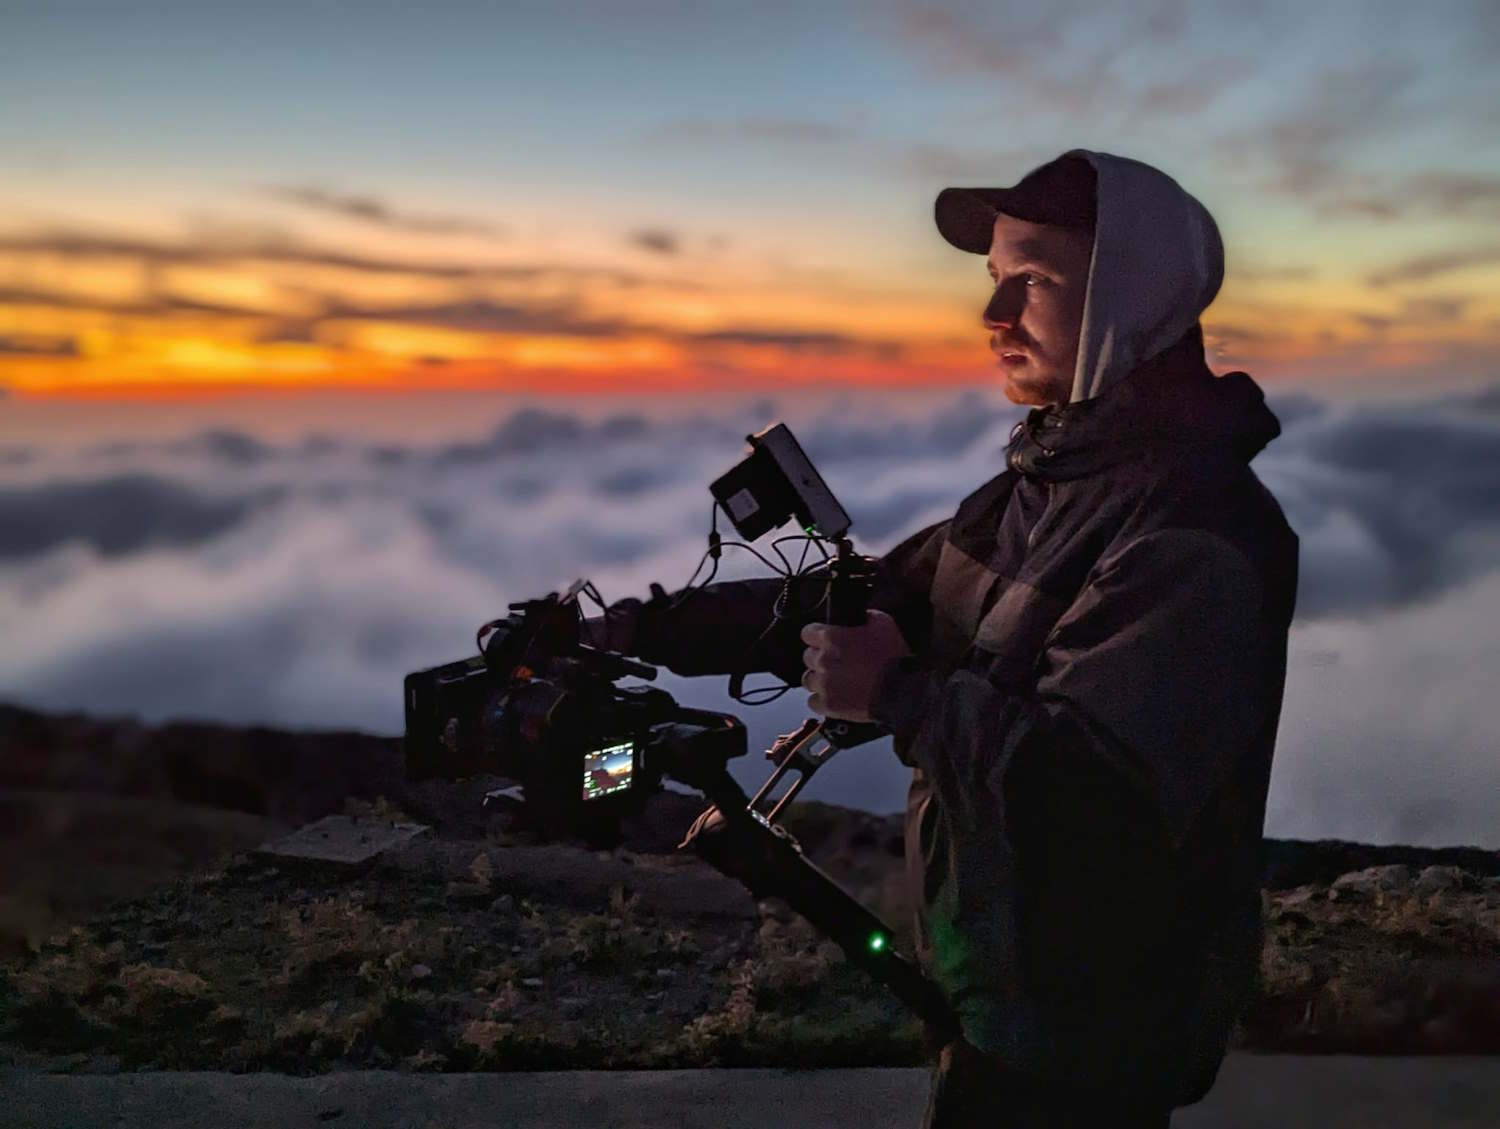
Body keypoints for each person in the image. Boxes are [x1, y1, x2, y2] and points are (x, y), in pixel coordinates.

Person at [596, 150, 1298, 1128]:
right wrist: (638, 628)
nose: (993, 314)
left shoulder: (1191, 532)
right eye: (993, 278)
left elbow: (1101, 799)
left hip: (1089, 1032)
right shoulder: (1035, 494)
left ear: (1127, 295)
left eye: (1036, 280)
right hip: (999, 997)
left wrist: (898, 696)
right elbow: (872, 598)